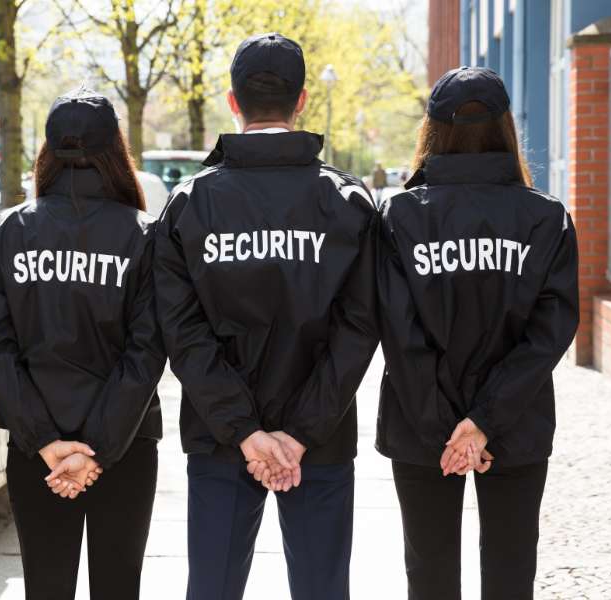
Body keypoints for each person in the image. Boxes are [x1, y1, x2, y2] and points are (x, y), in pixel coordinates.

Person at [155, 33, 378, 600]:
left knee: (212, 588)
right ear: (302, 101)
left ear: (233, 102)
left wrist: (247, 433)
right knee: (323, 589)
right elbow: (359, 330)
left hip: (220, 434)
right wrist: (298, 434)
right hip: (319, 436)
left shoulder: (190, 203)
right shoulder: (347, 201)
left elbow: (182, 334)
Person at [375, 66, 579, 600]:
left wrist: (449, 427)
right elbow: (549, 334)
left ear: (432, 130)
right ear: (506, 128)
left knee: (429, 575)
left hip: (423, 429)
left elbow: (400, 334)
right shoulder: (545, 216)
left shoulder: (399, 215)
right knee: (512, 574)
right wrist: (482, 423)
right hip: (517, 419)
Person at [0, 88, 166, 600]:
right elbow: (147, 352)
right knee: (118, 586)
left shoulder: (9, 231)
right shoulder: (144, 235)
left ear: (48, 150)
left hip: (39, 449)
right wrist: (99, 449)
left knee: (45, 585)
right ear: (116, 150)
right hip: (124, 445)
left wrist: (45, 442)